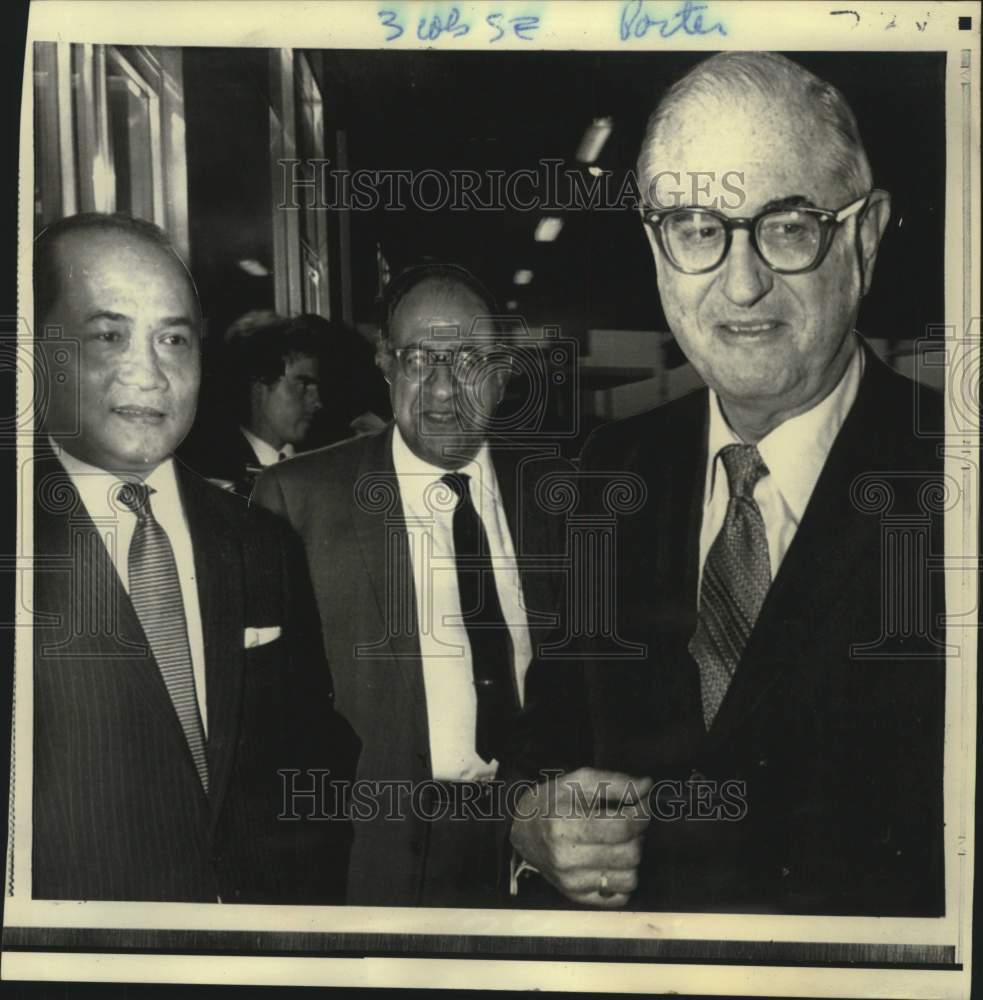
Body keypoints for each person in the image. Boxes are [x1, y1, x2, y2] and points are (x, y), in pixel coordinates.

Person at [507, 52, 946, 916]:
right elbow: (545, 740)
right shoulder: (605, 474)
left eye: (788, 226)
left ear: (863, 233)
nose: (740, 284)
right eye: (697, 227)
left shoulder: (953, 475)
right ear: (655, 247)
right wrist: (529, 821)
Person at [29, 213, 359, 903]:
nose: (150, 373)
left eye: (173, 339)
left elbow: (311, 756)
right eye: (109, 335)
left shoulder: (260, 543)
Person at [252, 263, 572, 907]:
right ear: (385, 363)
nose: (446, 388)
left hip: (536, 862)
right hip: (374, 866)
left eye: (471, 359)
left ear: (506, 368)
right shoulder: (297, 500)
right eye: (422, 357)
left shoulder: (561, 499)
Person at [179, 311, 323, 497]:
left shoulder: (323, 466)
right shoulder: (207, 473)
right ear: (260, 383)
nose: (318, 402)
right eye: (303, 384)